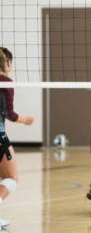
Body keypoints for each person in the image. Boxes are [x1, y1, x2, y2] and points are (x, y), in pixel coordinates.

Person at [0, 47, 34, 229]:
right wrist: (25, 120)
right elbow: (9, 114)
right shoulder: (5, 81)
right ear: (9, 63)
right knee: (11, 178)